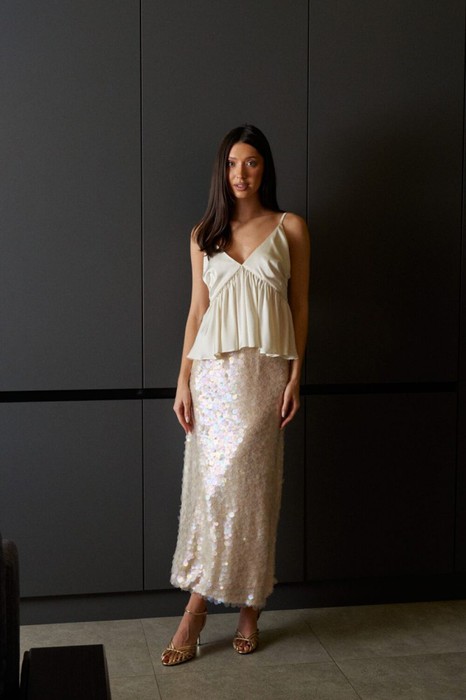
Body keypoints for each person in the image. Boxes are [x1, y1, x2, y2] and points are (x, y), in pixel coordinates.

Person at [161, 124, 310, 666]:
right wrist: (183, 380)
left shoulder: (291, 227)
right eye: (231, 163)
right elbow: (196, 312)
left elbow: (300, 306)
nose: (240, 174)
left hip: (265, 376)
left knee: (255, 494)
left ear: (264, 167)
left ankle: (247, 606)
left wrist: (296, 375)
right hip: (214, 379)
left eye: (250, 162)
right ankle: (201, 608)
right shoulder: (204, 233)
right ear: (221, 171)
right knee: (213, 492)